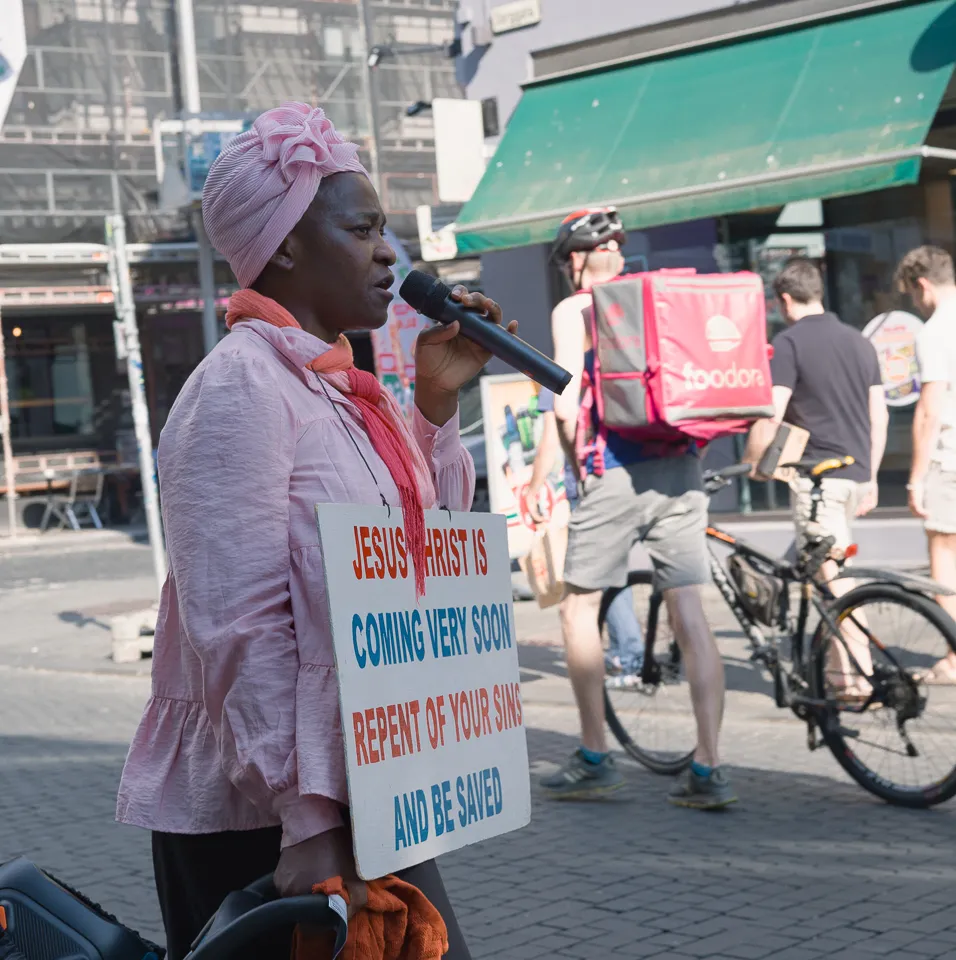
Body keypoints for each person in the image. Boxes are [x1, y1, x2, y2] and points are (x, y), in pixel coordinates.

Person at [114, 103, 510, 960]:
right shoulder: (240, 389)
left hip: (361, 789)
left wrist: (435, 407)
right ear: (287, 243)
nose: (389, 253)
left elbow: (427, 551)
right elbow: (238, 625)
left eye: (385, 230)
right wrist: (306, 819)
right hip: (271, 820)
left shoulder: (337, 387)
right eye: (363, 228)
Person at [538, 208, 733, 809]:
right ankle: (708, 764)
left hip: (614, 470)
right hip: (681, 467)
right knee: (689, 612)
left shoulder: (576, 310)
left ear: (574, 261)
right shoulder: (663, 299)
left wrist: (568, 469)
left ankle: (595, 755)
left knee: (578, 610)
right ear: (617, 254)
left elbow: (567, 407)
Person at [745, 257, 888, 695]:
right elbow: (878, 414)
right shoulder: (860, 341)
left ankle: (862, 674)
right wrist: (874, 474)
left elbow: (772, 412)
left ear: (784, 299)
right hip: (857, 474)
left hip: (820, 480)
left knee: (834, 577)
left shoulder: (788, 344)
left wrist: (754, 464)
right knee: (817, 570)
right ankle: (834, 671)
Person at [526, 388, 645, 680]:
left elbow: (551, 441)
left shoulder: (556, 374)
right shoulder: (613, 358)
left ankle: (628, 658)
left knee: (594, 582)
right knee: (614, 571)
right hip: (625, 477)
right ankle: (625, 652)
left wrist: (533, 489)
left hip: (590, 484)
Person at [895, 246, 956, 682]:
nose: (916, 306)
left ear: (923, 285)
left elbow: (930, 409)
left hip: (950, 460)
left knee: (944, 559)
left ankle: (955, 657)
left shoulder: (935, 331)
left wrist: (916, 478)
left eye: (913, 297)